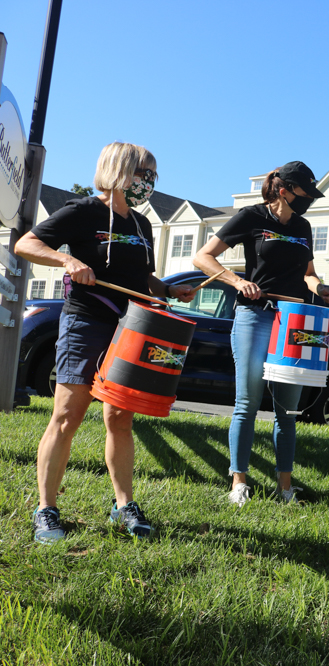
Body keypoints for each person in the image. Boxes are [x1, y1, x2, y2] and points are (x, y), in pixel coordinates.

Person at [16, 142, 195, 542]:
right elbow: (26, 244)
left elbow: (141, 277)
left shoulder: (142, 225)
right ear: (118, 171)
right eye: (142, 174)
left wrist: (166, 288)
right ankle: (46, 508)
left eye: (152, 176)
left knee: (119, 417)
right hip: (85, 322)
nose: (148, 183)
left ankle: (122, 504)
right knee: (67, 416)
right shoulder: (84, 211)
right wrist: (68, 261)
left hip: (128, 330)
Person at [192, 161, 329, 506]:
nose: (309, 200)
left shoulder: (303, 226)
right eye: (305, 193)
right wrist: (238, 281)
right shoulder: (251, 217)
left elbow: (308, 274)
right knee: (248, 403)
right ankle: (238, 483)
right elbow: (203, 257)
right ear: (284, 190)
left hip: (293, 322)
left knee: (287, 411)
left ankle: (285, 489)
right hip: (254, 317)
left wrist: (321, 288)